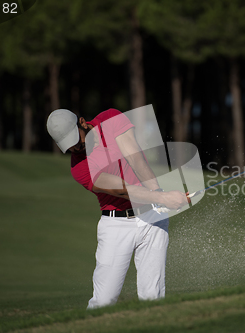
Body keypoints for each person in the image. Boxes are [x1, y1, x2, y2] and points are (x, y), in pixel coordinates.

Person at [46, 108, 189, 309]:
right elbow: (123, 190)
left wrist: (158, 194)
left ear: (82, 122)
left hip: (151, 217)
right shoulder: (79, 169)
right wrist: (162, 197)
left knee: (152, 296)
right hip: (116, 225)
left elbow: (135, 158)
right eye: (69, 146)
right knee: (104, 301)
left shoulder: (110, 118)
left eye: (75, 138)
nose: (76, 147)